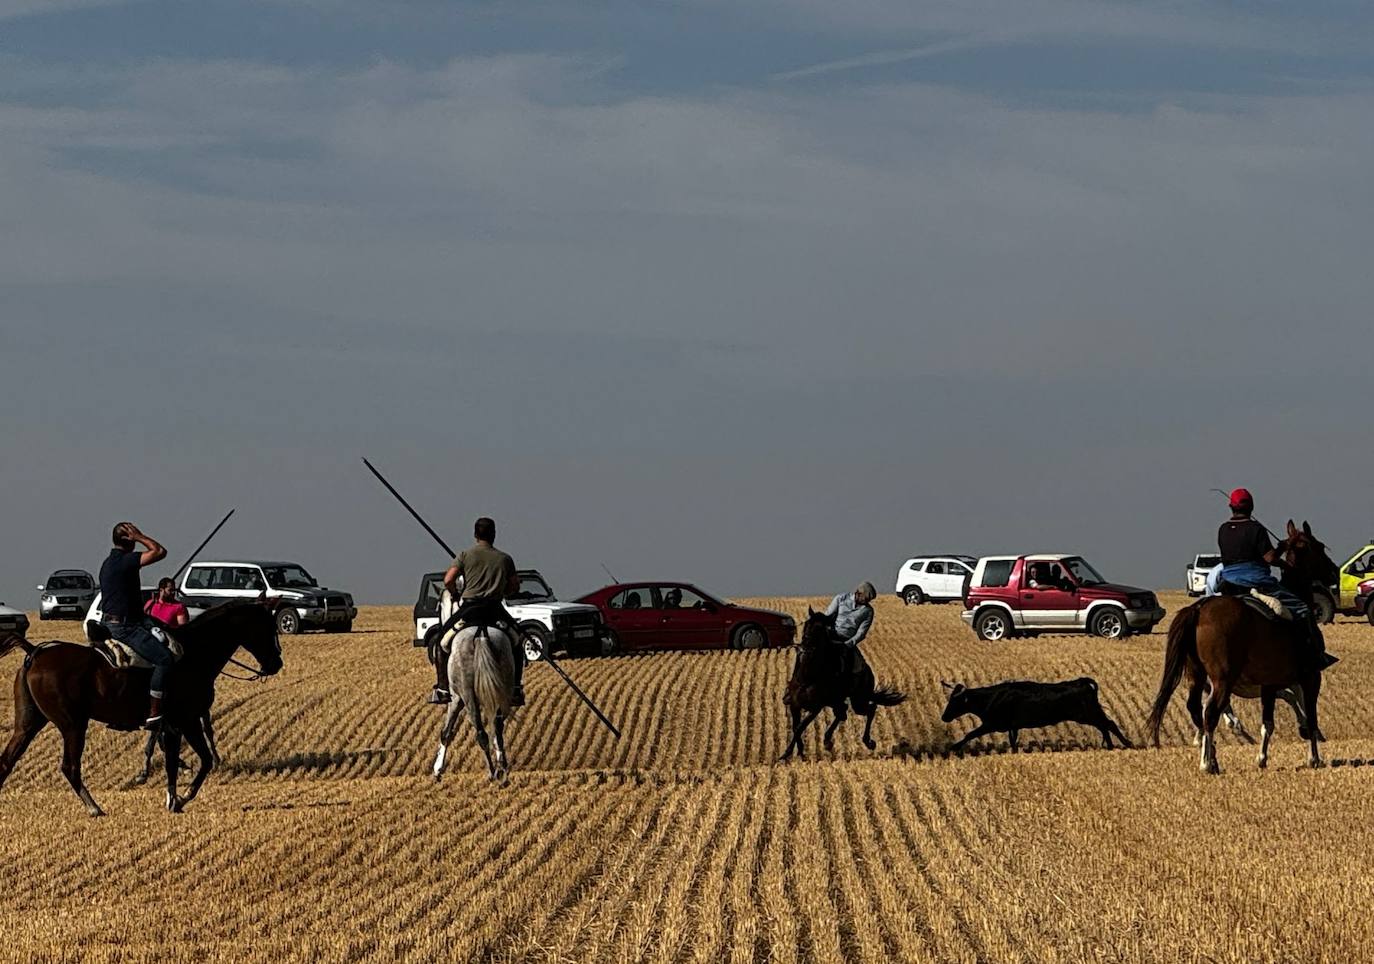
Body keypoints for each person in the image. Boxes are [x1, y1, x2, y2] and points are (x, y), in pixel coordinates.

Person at [1215, 488, 1322, 662]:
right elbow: (1270, 558)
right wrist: (1282, 552)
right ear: (1252, 507)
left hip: (1227, 582)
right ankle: (1312, 656)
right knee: (1302, 608)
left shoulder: (1222, 529)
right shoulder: (1256, 529)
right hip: (1255, 582)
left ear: (1230, 507)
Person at [428, 517, 524, 706]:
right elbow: (514, 586)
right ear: (494, 535)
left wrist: (455, 594)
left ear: (475, 535)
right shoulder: (505, 558)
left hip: (470, 610)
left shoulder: (465, 555)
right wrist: (503, 590)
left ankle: (442, 689)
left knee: (441, 641)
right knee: (517, 642)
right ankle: (515, 689)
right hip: (494, 610)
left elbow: (448, 580)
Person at [98, 522, 170, 728]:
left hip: (115, 621)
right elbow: (159, 551)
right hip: (125, 627)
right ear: (129, 540)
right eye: (133, 538)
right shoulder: (125, 561)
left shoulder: (108, 562)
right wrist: (140, 536)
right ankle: (155, 712)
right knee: (164, 659)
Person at [825, 582, 876, 677]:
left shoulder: (868, 611)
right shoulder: (840, 599)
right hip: (830, 637)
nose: (867, 602)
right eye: (866, 598)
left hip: (847, 642)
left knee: (859, 668)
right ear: (858, 593)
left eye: (869, 600)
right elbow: (828, 616)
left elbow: (861, 633)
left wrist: (847, 645)